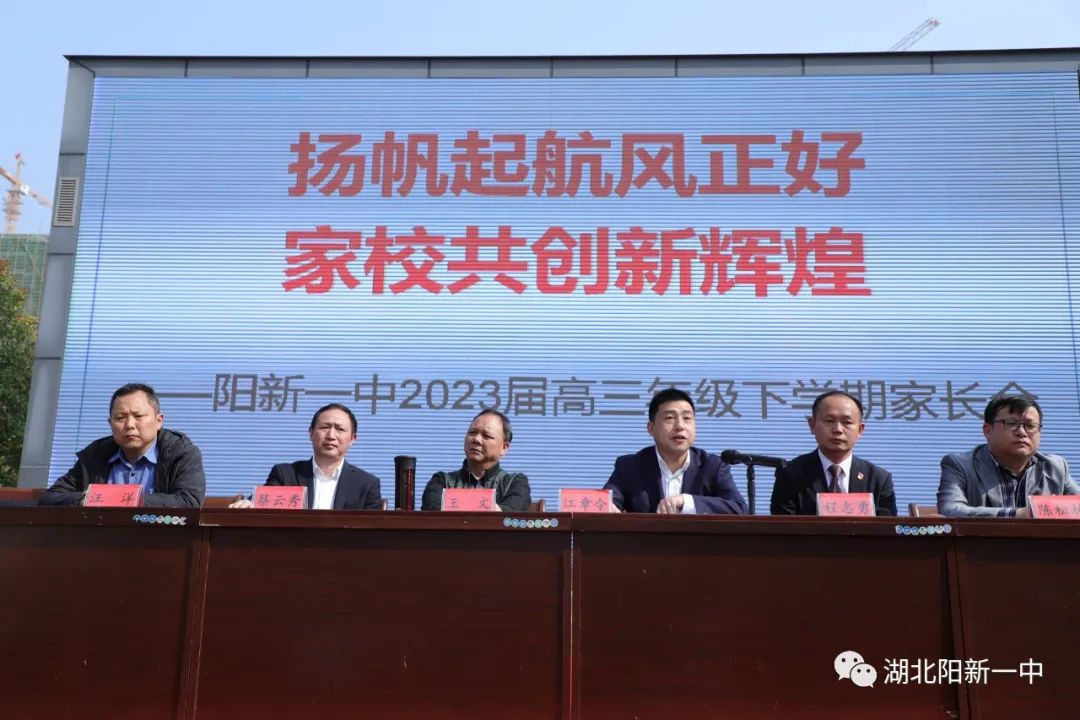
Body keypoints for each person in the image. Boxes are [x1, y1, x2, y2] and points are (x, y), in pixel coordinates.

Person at [39, 383, 205, 507]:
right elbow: (51, 497)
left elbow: (189, 501)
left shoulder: (180, 453)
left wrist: (125, 498)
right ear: (110, 423)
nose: (129, 425)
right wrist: (88, 498)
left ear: (159, 420)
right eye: (120, 418)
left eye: (138, 416)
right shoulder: (96, 454)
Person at [603, 388, 747, 514]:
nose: (680, 426)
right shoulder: (630, 466)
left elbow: (739, 508)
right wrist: (608, 507)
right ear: (651, 428)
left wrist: (687, 502)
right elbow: (606, 501)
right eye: (670, 418)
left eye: (687, 418)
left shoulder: (713, 466)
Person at [938, 395, 1079, 517]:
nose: (1022, 432)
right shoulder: (960, 465)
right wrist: (1017, 514)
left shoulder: (1055, 467)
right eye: (1011, 423)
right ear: (987, 431)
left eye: (1030, 426)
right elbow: (950, 509)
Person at [231, 403, 383, 510]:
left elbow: (372, 532)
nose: (331, 435)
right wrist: (248, 505)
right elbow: (260, 502)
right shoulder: (285, 474)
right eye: (324, 427)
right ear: (310, 433)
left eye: (340, 429)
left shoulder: (367, 484)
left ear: (352, 439)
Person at [770, 390, 896, 516]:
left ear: (860, 430)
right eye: (830, 421)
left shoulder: (878, 479)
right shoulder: (791, 474)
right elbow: (783, 525)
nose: (838, 430)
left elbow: (890, 527)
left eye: (847, 422)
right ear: (812, 425)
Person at [421, 409, 530, 512]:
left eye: (486, 436)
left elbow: (511, 513)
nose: (476, 439)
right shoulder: (441, 481)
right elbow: (433, 513)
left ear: (504, 447)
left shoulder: (515, 483)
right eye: (472, 432)